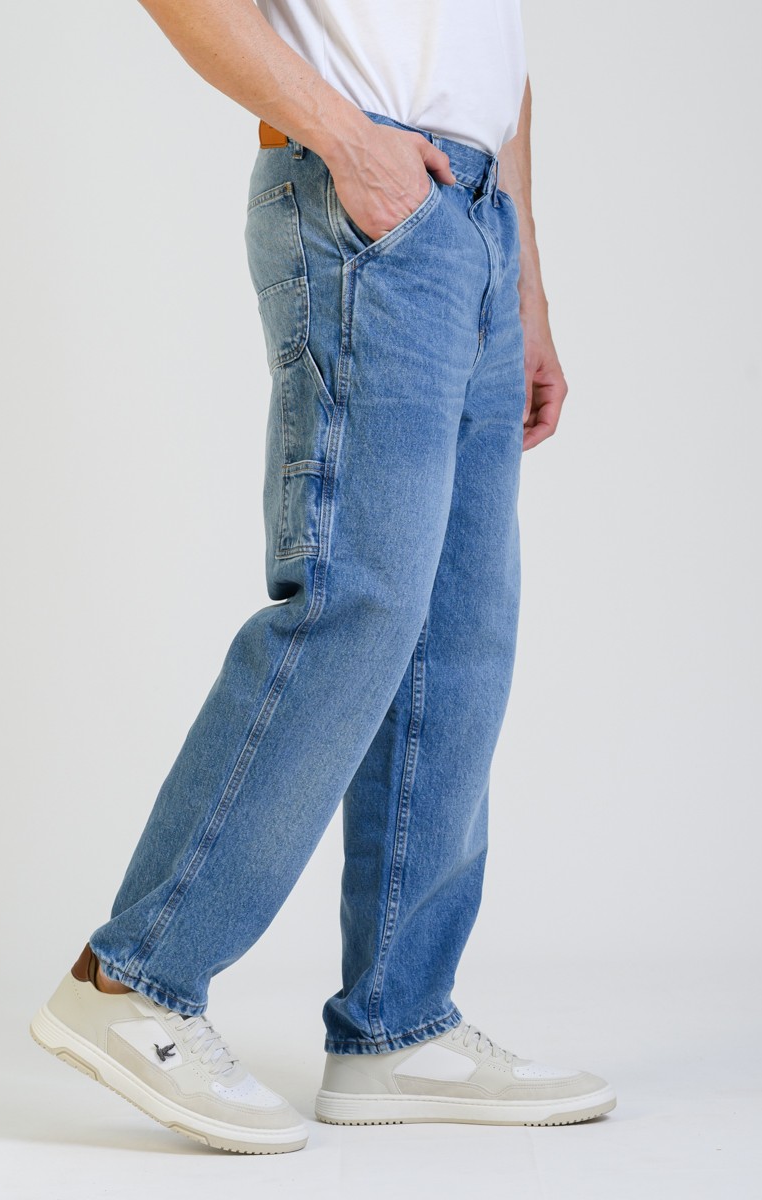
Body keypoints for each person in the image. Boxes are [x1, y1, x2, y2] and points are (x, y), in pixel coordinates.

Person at [30, 0, 615, 1154]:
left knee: (458, 633)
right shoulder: (358, 161)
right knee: (355, 602)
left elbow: (494, 62)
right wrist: (346, 141)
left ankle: (399, 1024)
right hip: (368, 193)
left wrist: (526, 280)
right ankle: (133, 980)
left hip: (474, 217)